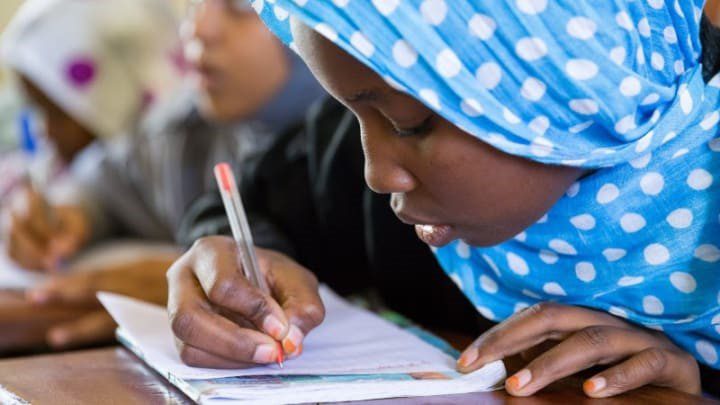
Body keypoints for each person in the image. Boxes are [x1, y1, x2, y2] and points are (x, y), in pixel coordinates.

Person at [166, 0, 720, 398]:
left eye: (409, 125)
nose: (376, 174)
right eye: (355, 112)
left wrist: (694, 385)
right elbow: (250, 204)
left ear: (575, 99)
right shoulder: (369, 140)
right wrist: (237, 263)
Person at [1, 0, 326, 349]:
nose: (197, 28)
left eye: (245, 5)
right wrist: (70, 213)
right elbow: (109, 176)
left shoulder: (357, 152)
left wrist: (202, 282)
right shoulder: (188, 129)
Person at [0, 0, 184, 271]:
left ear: (120, 95)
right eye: (35, 110)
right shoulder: (47, 170)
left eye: (58, 114)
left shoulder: (184, 158)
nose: (44, 131)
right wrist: (63, 215)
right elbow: (100, 187)